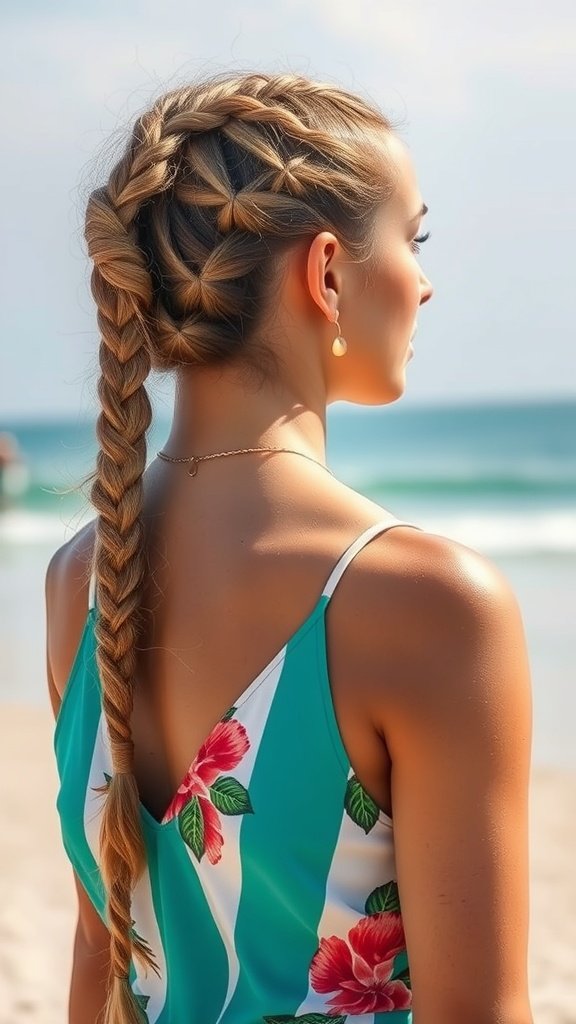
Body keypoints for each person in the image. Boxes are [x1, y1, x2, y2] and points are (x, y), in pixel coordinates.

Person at [45, 71, 534, 1024]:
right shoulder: (426, 603)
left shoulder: (82, 578)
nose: (425, 281)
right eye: (414, 236)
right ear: (326, 272)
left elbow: (102, 958)